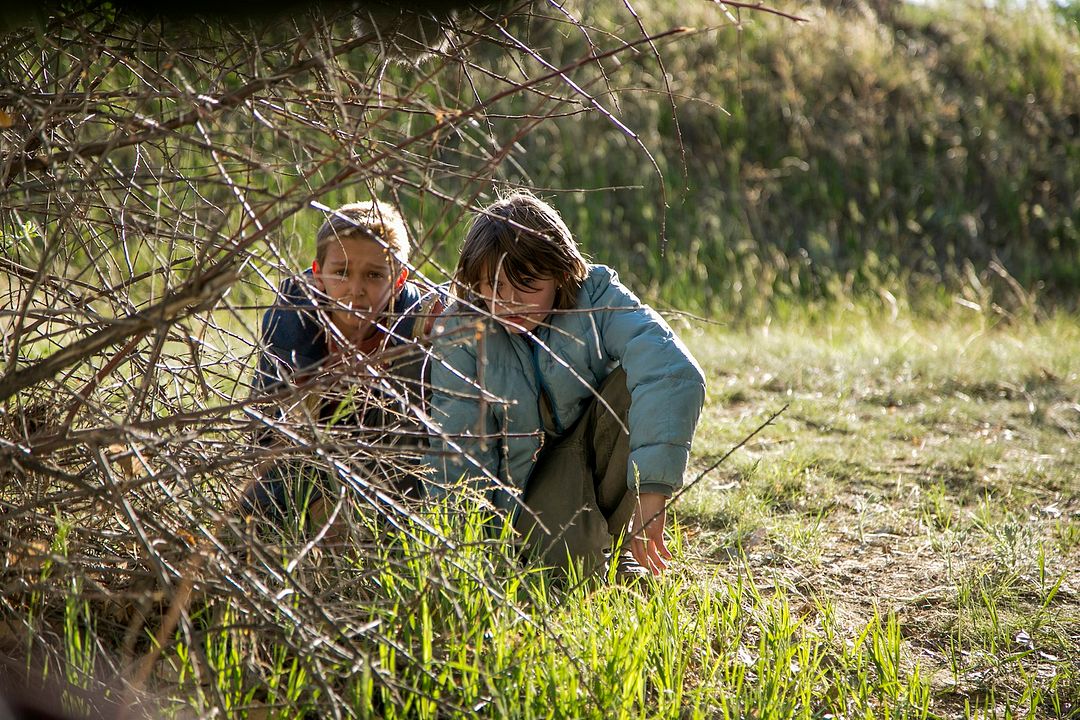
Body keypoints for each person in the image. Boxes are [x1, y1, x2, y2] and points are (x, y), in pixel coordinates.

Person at [424, 191, 706, 578]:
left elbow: (673, 371)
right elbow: (459, 450)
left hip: (588, 450)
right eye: (493, 286)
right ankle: (583, 552)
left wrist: (651, 495)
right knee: (569, 572)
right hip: (523, 493)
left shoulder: (597, 295)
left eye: (526, 283)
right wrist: (471, 559)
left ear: (561, 272)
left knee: (634, 385)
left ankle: (621, 538)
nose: (508, 301)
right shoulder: (461, 332)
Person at [245, 200, 439, 529]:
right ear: (318, 274)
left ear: (399, 280)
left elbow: (426, 442)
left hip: (392, 477)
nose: (355, 289)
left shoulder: (422, 327)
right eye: (341, 273)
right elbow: (266, 434)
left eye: (375, 275)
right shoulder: (291, 322)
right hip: (311, 469)